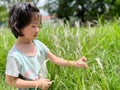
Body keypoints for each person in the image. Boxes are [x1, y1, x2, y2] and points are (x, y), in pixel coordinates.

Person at [5, 2, 88, 90]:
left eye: (38, 26)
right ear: (18, 26)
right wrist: (37, 83)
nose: (37, 30)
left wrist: (75, 63)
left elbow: (56, 60)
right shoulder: (14, 55)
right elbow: (11, 81)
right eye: (33, 26)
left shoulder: (39, 45)